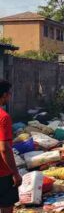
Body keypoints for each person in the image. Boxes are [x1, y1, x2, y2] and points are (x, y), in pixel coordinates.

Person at [0, 80, 21, 213]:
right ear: (3, 95)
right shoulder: (3, 117)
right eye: (9, 93)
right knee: (6, 207)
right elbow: (4, 148)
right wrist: (15, 173)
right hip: (2, 172)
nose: (10, 96)